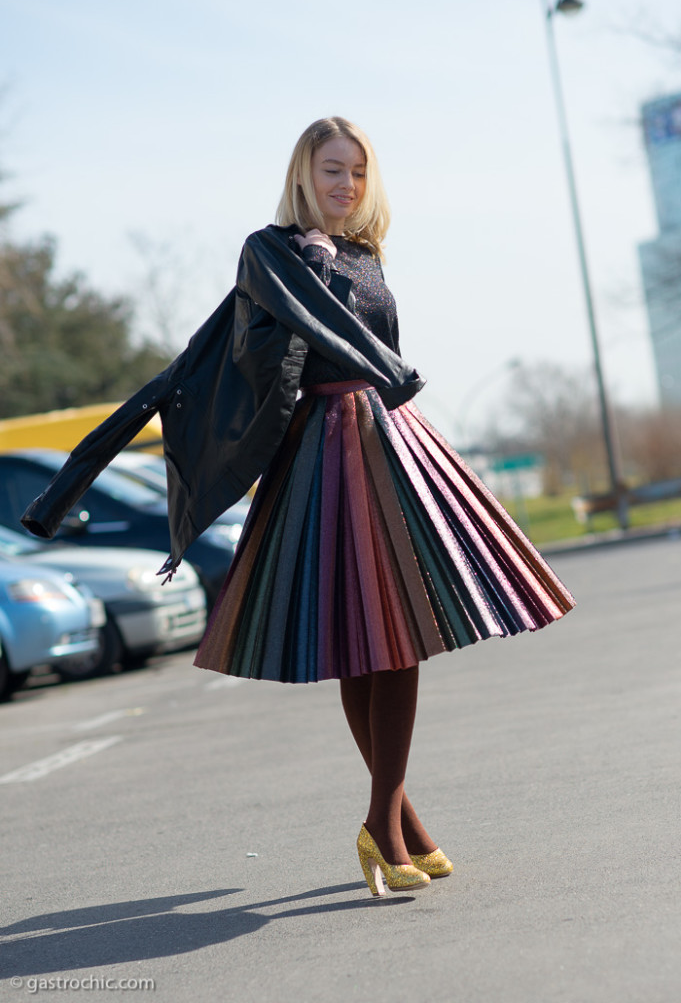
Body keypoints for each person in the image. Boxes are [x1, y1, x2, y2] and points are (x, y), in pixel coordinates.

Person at [21, 116, 575, 899]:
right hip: (321, 452)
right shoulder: (270, 250)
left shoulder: (364, 253)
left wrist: (386, 368)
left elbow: (370, 339)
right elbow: (306, 334)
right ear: (302, 176)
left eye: (356, 172)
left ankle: (392, 822)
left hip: (386, 440)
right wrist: (351, 314)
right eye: (330, 171)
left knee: (401, 630)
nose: (344, 185)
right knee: (363, 639)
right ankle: (391, 825)